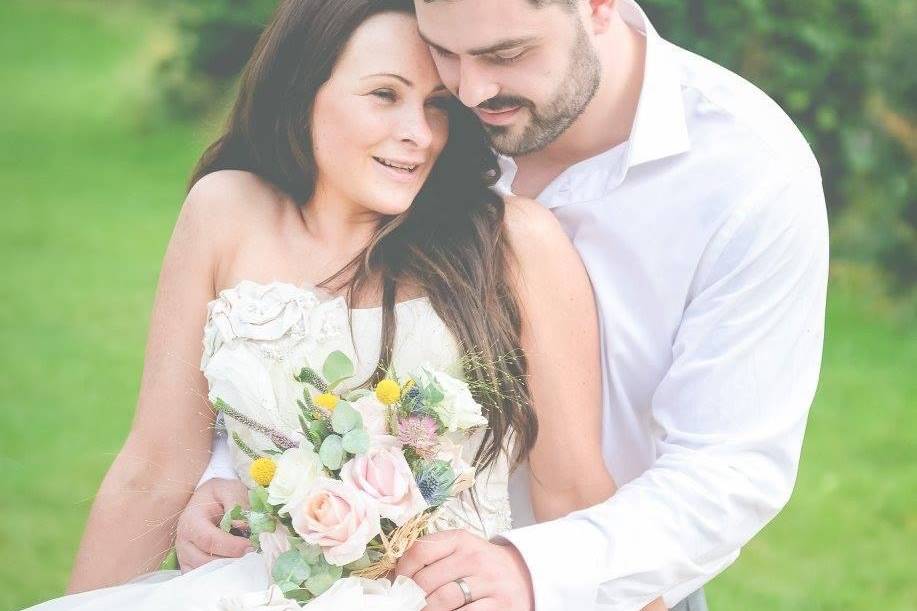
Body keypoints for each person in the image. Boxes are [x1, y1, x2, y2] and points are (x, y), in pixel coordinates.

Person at [187, 0, 830, 610]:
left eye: (508, 53)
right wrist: (242, 471)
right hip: (344, 575)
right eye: (445, 51)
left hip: (607, 587)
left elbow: (728, 466)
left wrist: (534, 568)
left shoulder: (749, 174)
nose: (470, 93)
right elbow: (308, 297)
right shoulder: (421, 115)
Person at [27, 0, 658, 609]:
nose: (417, 134)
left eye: (436, 105)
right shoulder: (225, 213)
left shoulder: (513, 243)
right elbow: (156, 466)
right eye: (384, 95)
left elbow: (574, 489)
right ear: (304, 88)